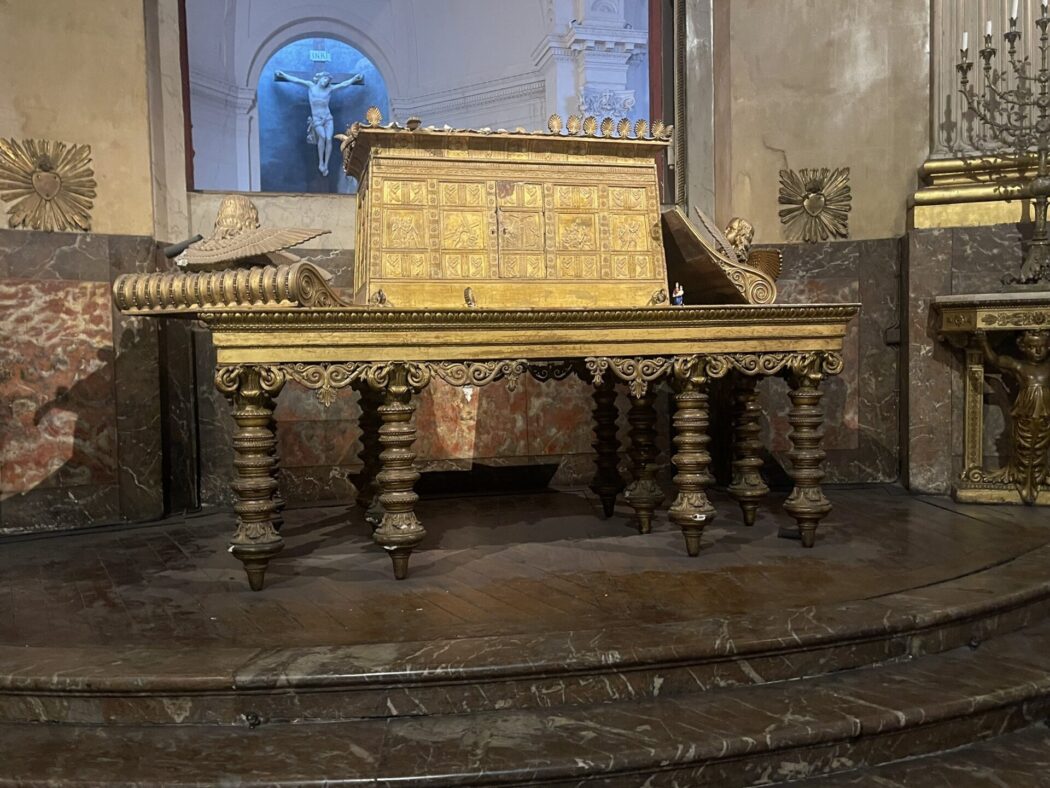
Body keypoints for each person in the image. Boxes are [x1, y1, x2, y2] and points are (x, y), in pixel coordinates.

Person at [976, 329, 1050, 504]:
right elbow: (994, 359)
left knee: (1041, 444)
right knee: (1023, 444)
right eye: (1032, 347)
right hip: (1025, 411)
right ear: (1023, 348)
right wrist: (983, 342)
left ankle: (1039, 477)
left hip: (1045, 412)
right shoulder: (1019, 366)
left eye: (1042, 347)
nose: (1037, 351)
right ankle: (1021, 477)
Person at [274, 70, 365, 176]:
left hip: (327, 117)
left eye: (327, 80)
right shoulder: (311, 86)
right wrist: (284, 75)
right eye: (324, 78)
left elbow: (343, 85)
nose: (325, 81)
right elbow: (296, 80)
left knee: (329, 138)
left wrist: (354, 79)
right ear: (320, 78)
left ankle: (325, 164)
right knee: (322, 137)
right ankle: (321, 162)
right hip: (317, 118)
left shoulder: (329, 89)